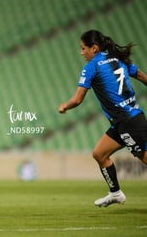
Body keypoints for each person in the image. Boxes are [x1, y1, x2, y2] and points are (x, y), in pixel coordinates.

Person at [59, 30, 147, 207]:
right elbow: (140, 75)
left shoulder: (92, 67)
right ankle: (115, 193)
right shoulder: (117, 58)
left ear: (94, 48)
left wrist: (65, 106)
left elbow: (77, 99)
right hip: (125, 120)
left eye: (83, 48)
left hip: (128, 122)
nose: (82, 52)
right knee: (99, 154)